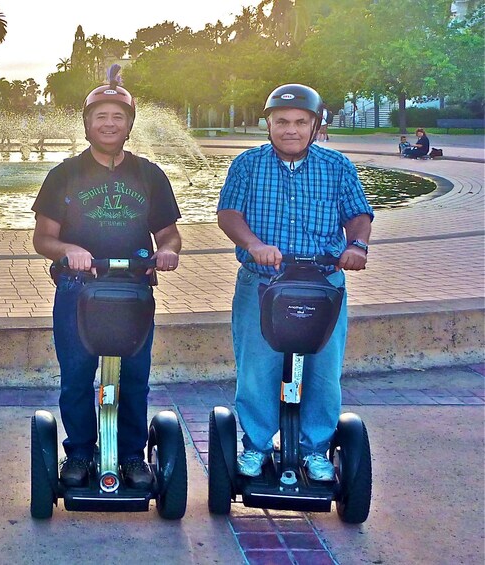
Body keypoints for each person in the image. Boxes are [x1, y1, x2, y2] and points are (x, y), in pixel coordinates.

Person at [31, 65, 182, 490]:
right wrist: (69, 251)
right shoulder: (65, 173)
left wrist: (167, 253)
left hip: (133, 290)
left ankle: (132, 454)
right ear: (87, 123)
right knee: (77, 375)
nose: (109, 124)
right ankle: (79, 450)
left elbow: (169, 235)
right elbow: (43, 238)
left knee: (135, 376)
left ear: (129, 124)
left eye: (118, 116)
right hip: (78, 290)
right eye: (101, 116)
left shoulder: (149, 174)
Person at [216, 83, 373, 482]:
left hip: (323, 283)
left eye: (301, 122)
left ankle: (315, 449)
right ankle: (255, 445)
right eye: (281, 121)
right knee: (257, 368)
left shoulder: (336, 166)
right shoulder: (247, 165)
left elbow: (358, 214)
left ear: (315, 124)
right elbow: (229, 214)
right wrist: (253, 244)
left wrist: (356, 246)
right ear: (267, 123)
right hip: (263, 282)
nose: (291, 129)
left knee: (323, 370)